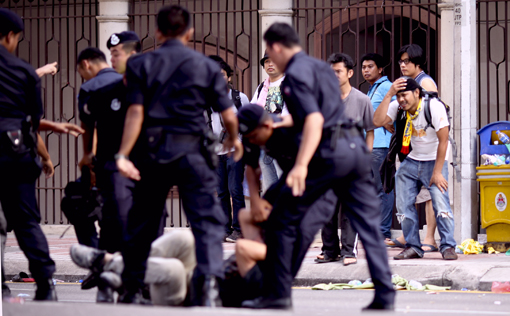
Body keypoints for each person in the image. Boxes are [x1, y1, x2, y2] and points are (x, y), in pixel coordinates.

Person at [240, 23, 395, 310]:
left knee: (282, 221)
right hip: (354, 148)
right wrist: (285, 121)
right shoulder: (322, 69)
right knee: (368, 225)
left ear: (276, 47)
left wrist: (300, 166)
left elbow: (313, 119)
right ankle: (385, 294)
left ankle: (278, 293)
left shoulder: (294, 77)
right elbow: (318, 112)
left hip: (329, 154)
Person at [115, 5, 242, 306]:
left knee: (142, 220)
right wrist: (235, 141)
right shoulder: (207, 67)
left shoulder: (140, 65)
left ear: (157, 32)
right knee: (207, 222)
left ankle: (132, 288)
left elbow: (135, 112)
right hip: (194, 151)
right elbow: (228, 114)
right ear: (190, 32)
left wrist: (123, 154)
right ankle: (208, 288)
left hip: (153, 150)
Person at [0, 8, 83, 301]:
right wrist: (46, 155)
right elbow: (30, 123)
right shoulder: (23, 72)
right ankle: (46, 284)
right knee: (25, 222)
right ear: (10, 36)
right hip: (14, 151)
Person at [373, 77, 457, 260]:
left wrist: (437, 172)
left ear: (417, 93)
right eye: (399, 95)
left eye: (405, 95)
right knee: (403, 205)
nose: (401, 99)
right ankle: (413, 246)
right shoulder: (398, 106)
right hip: (412, 160)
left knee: (440, 204)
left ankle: (448, 246)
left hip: (435, 160)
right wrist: (389, 94)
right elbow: (377, 121)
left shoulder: (433, 106)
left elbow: (444, 141)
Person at [315, 53, 375, 266]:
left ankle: (349, 252)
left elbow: (370, 131)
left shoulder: (362, 100)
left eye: (338, 71)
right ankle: (329, 250)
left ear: (349, 73)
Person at [382, 44, 439, 253]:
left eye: (407, 61)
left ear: (418, 63)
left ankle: (430, 238)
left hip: (425, 149)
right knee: (408, 195)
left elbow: (434, 114)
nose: (403, 65)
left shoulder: (426, 83)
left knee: (429, 194)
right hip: (407, 148)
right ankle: (409, 236)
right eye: (401, 62)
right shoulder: (402, 84)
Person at [70, 229, 196, 306]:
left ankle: (107, 262)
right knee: (184, 238)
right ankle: (124, 272)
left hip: (188, 303)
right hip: (195, 283)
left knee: (175, 268)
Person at [208, 56, 249, 242]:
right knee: (221, 192)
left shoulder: (240, 98)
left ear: (229, 77)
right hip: (216, 152)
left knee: (235, 190)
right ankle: (224, 229)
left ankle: (239, 229)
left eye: (222, 75)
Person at [361, 53, 396, 243]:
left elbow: (393, 111)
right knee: (374, 190)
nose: (366, 70)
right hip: (371, 145)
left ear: (380, 69)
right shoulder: (373, 89)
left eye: (370, 67)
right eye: (364, 67)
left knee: (384, 189)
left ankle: (383, 232)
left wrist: (387, 124)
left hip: (381, 145)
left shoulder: (386, 87)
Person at [251, 52, 289, 193]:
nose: (270, 64)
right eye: (267, 61)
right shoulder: (261, 87)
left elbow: (289, 113)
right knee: (269, 187)